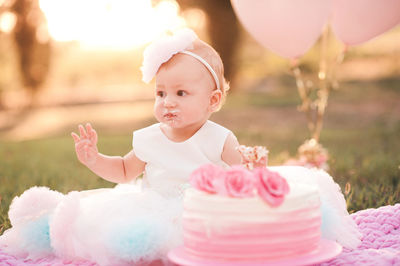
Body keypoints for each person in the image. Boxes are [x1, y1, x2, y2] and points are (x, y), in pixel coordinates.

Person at [0, 28, 242, 266]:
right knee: (107, 230)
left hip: (202, 212)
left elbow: (246, 176)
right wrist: (95, 159)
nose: (167, 102)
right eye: (160, 93)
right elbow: (125, 171)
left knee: (200, 238)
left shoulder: (219, 139)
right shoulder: (151, 139)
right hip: (154, 210)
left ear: (213, 100)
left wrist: (252, 173)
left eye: (180, 93)